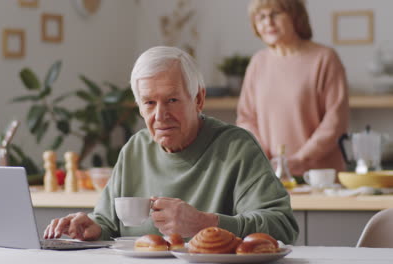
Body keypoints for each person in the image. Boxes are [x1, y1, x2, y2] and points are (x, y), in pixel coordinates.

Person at [44, 46, 299, 244]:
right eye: (149, 103)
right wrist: (93, 227)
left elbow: (283, 227)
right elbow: (107, 222)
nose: (160, 115)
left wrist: (206, 223)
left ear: (198, 98)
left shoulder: (236, 147)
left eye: (172, 100)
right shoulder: (135, 149)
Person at [237, 0, 349, 176]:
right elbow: (246, 118)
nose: (268, 22)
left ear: (296, 17)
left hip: (319, 177)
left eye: (275, 14)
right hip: (269, 175)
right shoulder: (258, 62)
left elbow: (335, 121)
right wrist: (262, 156)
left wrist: (301, 159)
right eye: (261, 17)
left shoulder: (325, 58)